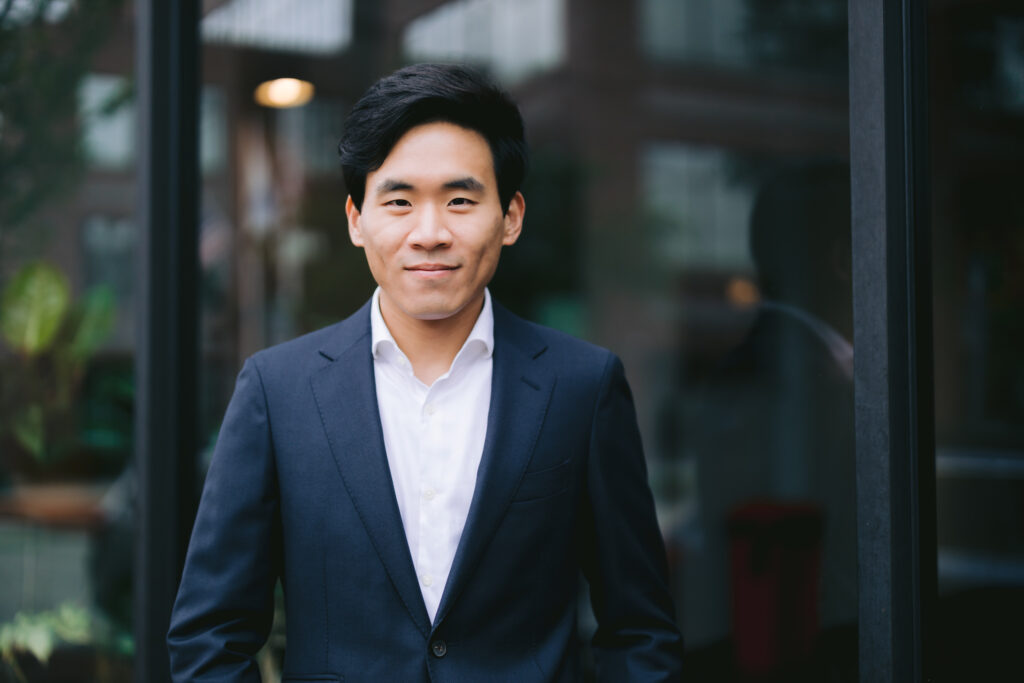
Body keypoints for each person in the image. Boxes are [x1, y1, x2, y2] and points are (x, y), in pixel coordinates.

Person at [167, 63, 683, 682]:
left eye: (461, 200)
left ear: (510, 216)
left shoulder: (583, 386)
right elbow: (208, 637)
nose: (430, 233)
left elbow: (640, 629)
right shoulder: (277, 392)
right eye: (400, 201)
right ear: (357, 219)